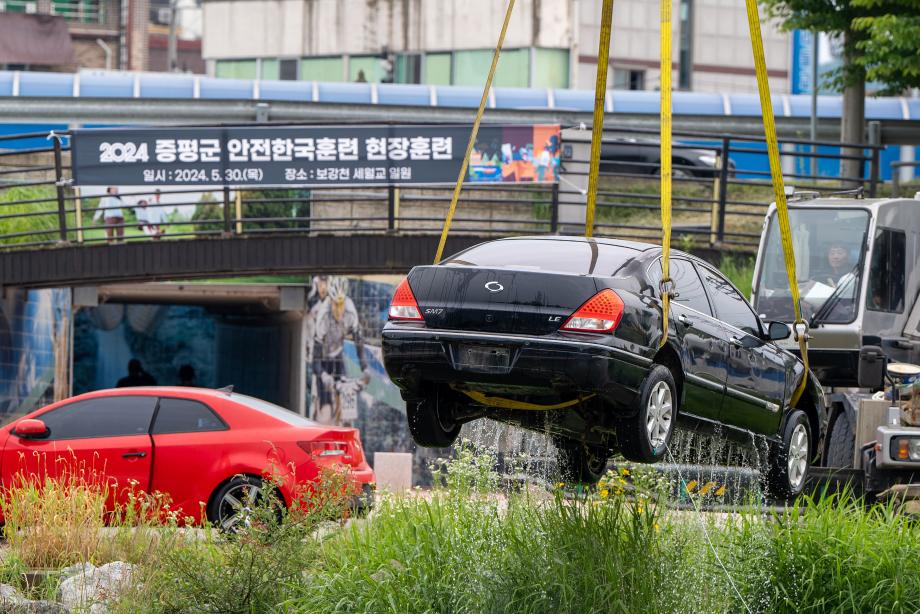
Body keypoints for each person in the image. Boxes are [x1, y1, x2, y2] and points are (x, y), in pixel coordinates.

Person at [311, 277, 369, 425]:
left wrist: (365, 367)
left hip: (338, 356)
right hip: (323, 359)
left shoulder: (350, 311)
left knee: (346, 399)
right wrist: (323, 375)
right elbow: (315, 359)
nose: (339, 309)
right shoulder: (323, 315)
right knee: (325, 411)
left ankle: (346, 426)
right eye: (335, 304)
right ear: (330, 301)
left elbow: (359, 343)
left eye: (341, 303)